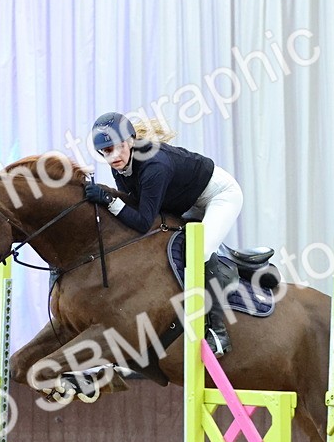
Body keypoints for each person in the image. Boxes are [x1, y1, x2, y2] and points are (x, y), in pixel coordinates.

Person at [84, 112, 242, 357]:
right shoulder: (121, 165)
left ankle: (218, 333)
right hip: (185, 199)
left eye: (116, 148)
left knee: (196, 253)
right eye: (105, 151)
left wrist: (107, 199)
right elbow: (134, 208)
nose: (112, 157)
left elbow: (143, 221)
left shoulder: (154, 165)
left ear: (130, 141)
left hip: (219, 195)